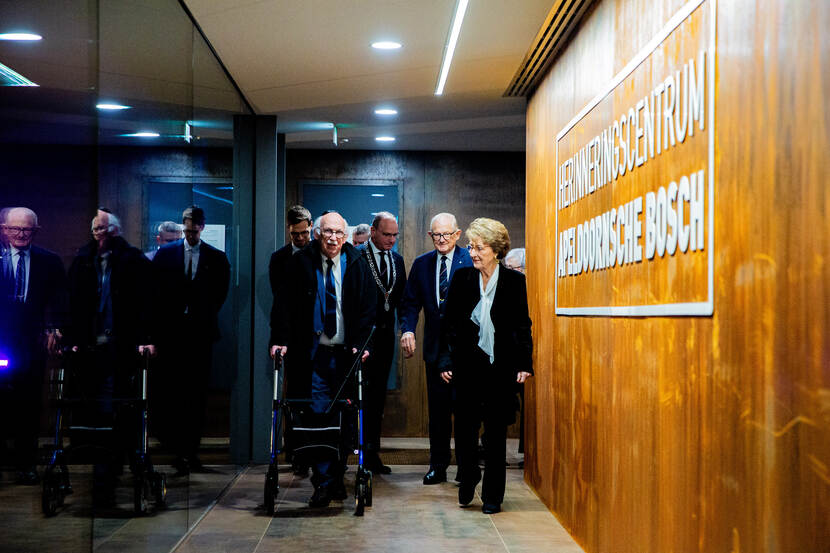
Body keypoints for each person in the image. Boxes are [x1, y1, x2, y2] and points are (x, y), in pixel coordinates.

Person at [271, 211, 375, 507]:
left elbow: (369, 309)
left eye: (339, 233)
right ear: (317, 233)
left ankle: (337, 475)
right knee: (317, 417)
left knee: (343, 417)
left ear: (346, 236)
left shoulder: (357, 263)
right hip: (312, 355)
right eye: (328, 232)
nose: (333, 238)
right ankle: (324, 482)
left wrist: (363, 343)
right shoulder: (300, 262)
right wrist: (279, 339)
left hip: (346, 355)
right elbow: (283, 305)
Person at [438, 217, 532, 515]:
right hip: (467, 368)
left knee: (494, 435)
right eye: (471, 246)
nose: (473, 252)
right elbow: (448, 325)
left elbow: (522, 326)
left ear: (496, 250)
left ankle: (493, 496)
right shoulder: (463, 279)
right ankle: (468, 477)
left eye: (479, 247)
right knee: (465, 432)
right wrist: (445, 360)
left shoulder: (515, 282)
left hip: (500, 370)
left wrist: (524, 363)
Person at [66, 209, 156, 504]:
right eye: (95, 229)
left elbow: (146, 304)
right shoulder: (83, 260)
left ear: (115, 231)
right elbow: (75, 303)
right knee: (96, 410)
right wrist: (73, 339)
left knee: (120, 408)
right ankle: (105, 469)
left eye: (103, 229)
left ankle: (117, 466)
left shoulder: (133, 260)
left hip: (122, 348)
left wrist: (145, 340)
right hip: (92, 349)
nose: (98, 234)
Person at [152, 206, 230, 476]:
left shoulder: (216, 258)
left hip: (199, 336)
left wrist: (200, 315)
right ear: (183, 227)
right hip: (171, 336)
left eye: (195, 229)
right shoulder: (165, 255)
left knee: (196, 395)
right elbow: (156, 293)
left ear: (202, 227)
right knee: (171, 392)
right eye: (187, 228)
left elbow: (220, 293)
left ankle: (191, 450)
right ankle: (176, 448)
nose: (191, 232)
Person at [398, 212, 472, 485]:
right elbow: (409, 303)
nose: (441, 240)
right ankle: (438, 466)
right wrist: (407, 329)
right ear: (430, 236)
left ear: (457, 234)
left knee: (465, 414)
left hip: (465, 352)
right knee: (438, 413)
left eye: (446, 234)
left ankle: (466, 469)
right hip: (433, 349)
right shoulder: (422, 264)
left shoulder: (470, 260)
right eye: (436, 235)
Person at [0, 208, 67, 484]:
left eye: (27, 230)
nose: (21, 234)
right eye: (15, 229)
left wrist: (55, 328)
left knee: (28, 405)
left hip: (32, 343)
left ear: (36, 231)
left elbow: (60, 300)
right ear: (4, 229)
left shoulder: (49, 261)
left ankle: (26, 464)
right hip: (2, 342)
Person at [356, 212, 406, 474]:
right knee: (355, 398)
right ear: (373, 231)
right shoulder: (357, 257)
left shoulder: (397, 260)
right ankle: (347, 455)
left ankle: (372, 454)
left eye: (395, 235)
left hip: (385, 340)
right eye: (386, 234)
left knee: (376, 400)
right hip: (360, 340)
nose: (391, 240)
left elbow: (401, 300)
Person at [268, 204, 313, 475]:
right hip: (292, 337)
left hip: (315, 335)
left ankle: (311, 449)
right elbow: (280, 300)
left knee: (313, 397)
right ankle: (295, 450)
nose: (301, 238)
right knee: (293, 396)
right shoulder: (279, 259)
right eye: (296, 234)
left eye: (305, 233)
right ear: (289, 230)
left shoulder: (316, 254)